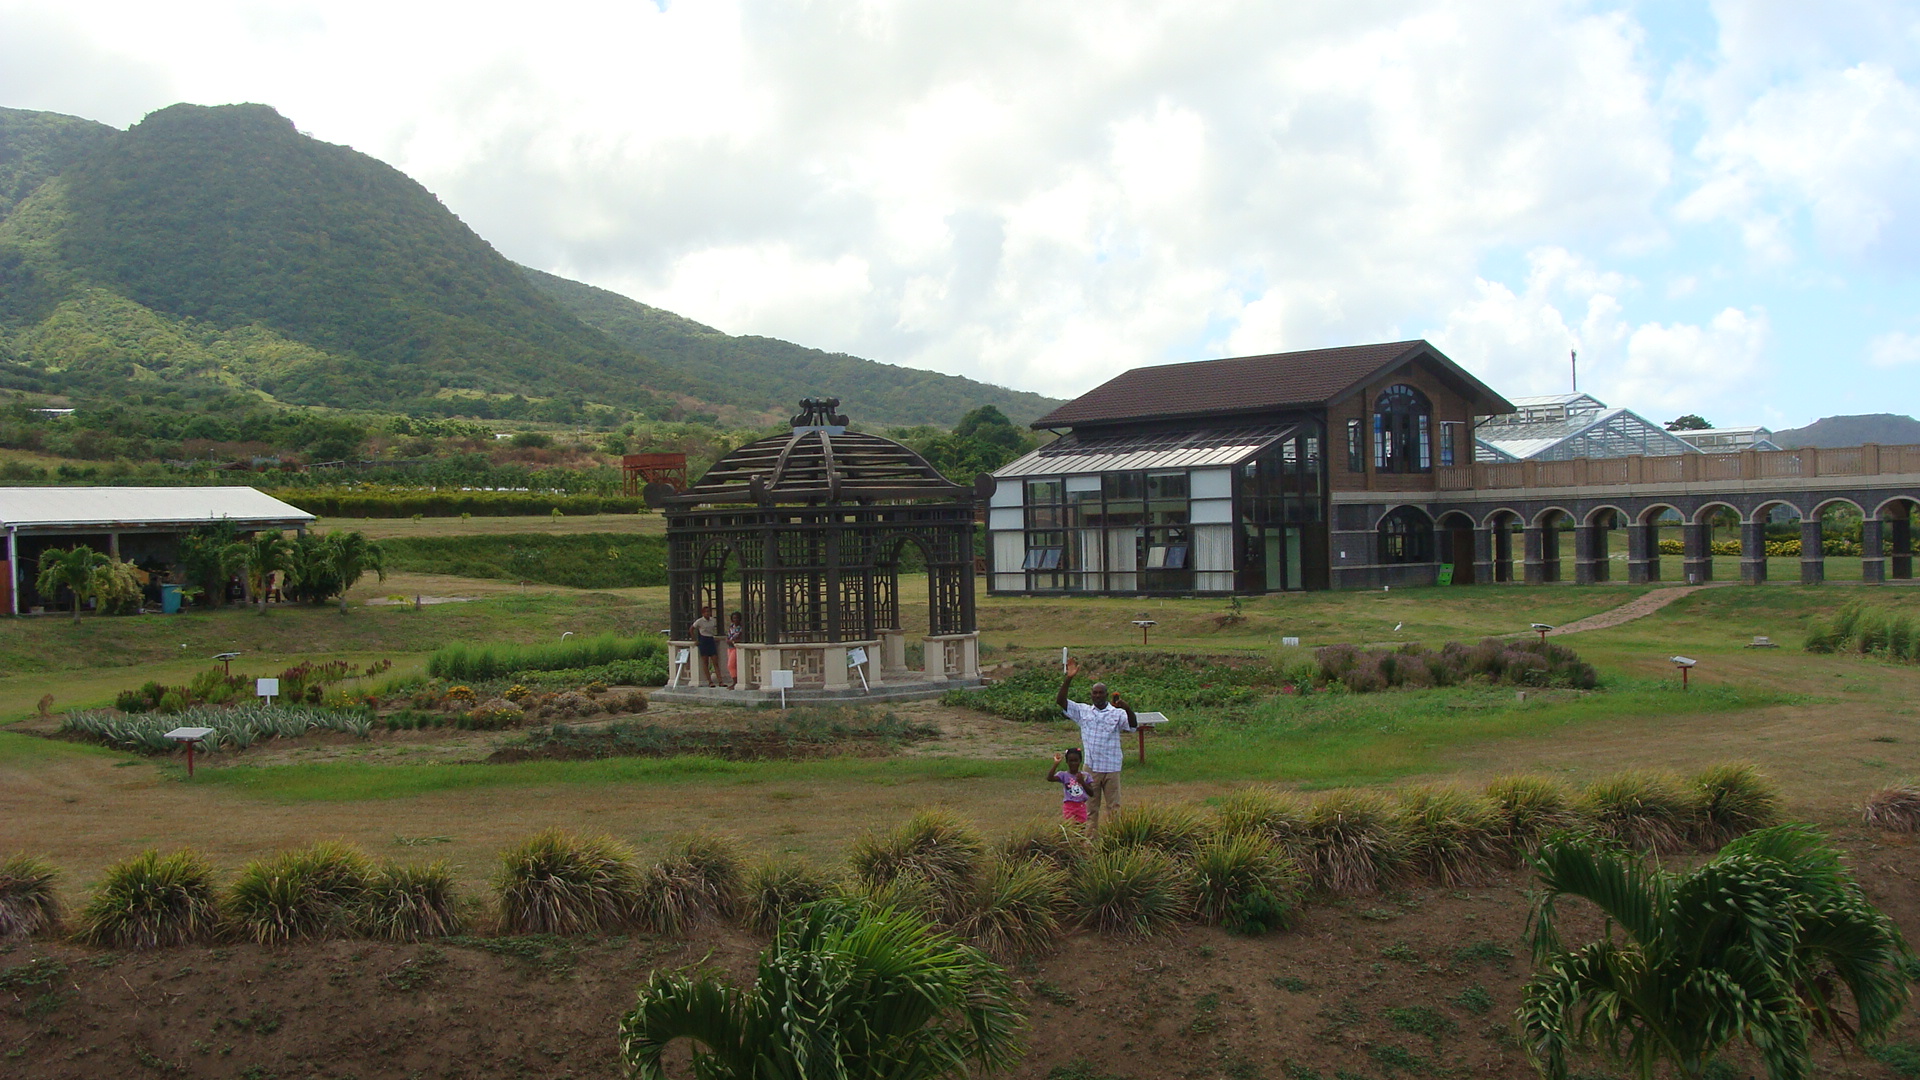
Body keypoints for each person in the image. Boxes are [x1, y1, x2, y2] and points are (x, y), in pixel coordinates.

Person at [1056, 658, 1137, 832]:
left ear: (1106, 695)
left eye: (1101, 693)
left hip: (1112, 767)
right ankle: (1089, 843)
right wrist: (1069, 678)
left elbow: (1132, 726)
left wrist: (1127, 707)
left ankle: (1115, 841)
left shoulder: (1117, 713)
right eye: (1095, 693)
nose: (1098, 696)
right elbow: (1061, 701)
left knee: (1114, 807)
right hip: (1091, 768)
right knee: (1091, 809)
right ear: (1091, 695)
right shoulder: (1083, 711)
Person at [1047, 748, 1092, 825]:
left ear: (1080, 761)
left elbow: (1091, 793)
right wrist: (1056, 764)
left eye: (1076, 761)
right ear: (1067, 762)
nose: (1073, 763)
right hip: (1069, 806)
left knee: (1081, 827)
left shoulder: (1085, 776)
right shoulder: (1063, 775)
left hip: (1081, 806)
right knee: (1069, 826)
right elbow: (1050, 778)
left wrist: (1082, 782)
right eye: (1071, 761)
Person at [690, 605, 721, 686]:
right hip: (703, 640)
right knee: (705, 662)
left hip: (711, 639)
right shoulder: (699, 621)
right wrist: (695, 640)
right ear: (703, 613)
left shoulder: (712, 620)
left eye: (708, 611)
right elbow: (691, 629)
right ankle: (710, 681)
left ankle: (720, 680)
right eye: (706, 612)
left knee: (715, 661)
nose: (707, 613)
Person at [725, 611, 744, 684]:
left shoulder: (741, 628)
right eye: (734, 618)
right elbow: (728, 635)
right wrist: (727, 640)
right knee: (733, 665)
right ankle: (734, 679)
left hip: (736, 647)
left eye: (737, 618)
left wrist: (733, 641)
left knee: (731, 665)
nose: (735, 620)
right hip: (730, 647)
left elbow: (741, 637)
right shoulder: (731, 627)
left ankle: (735, 682)